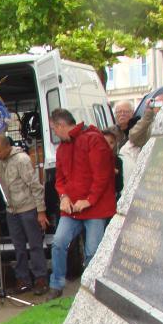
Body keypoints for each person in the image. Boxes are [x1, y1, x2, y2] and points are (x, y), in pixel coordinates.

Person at [48, 108, 115, 300]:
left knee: (92, 251)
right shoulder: (62, 148)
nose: (54, 132)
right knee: (59, 243)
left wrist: (89, 200)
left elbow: (102, 175)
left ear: (61, 125)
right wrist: (63, 197)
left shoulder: (93, 139)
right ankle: (57, 284)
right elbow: (60, 179)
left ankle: (90, 288)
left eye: (54, 128)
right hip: (73, 209)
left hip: (95, 209)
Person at [0, 135, 49, 295]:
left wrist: (40, 211)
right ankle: (23, 279)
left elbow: (35, 185)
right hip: (12, 210)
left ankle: (41, 278)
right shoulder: (1, 162)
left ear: (8, 147)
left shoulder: (22, 160)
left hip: (28, 208)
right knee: (18, 247)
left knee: (35, 245)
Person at [101, 127, 125, 201]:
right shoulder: (92, 159)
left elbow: (120, 187)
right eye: (104, 142)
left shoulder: (118, 161)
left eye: (111, 142)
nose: (108, 145)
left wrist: (116, 173)